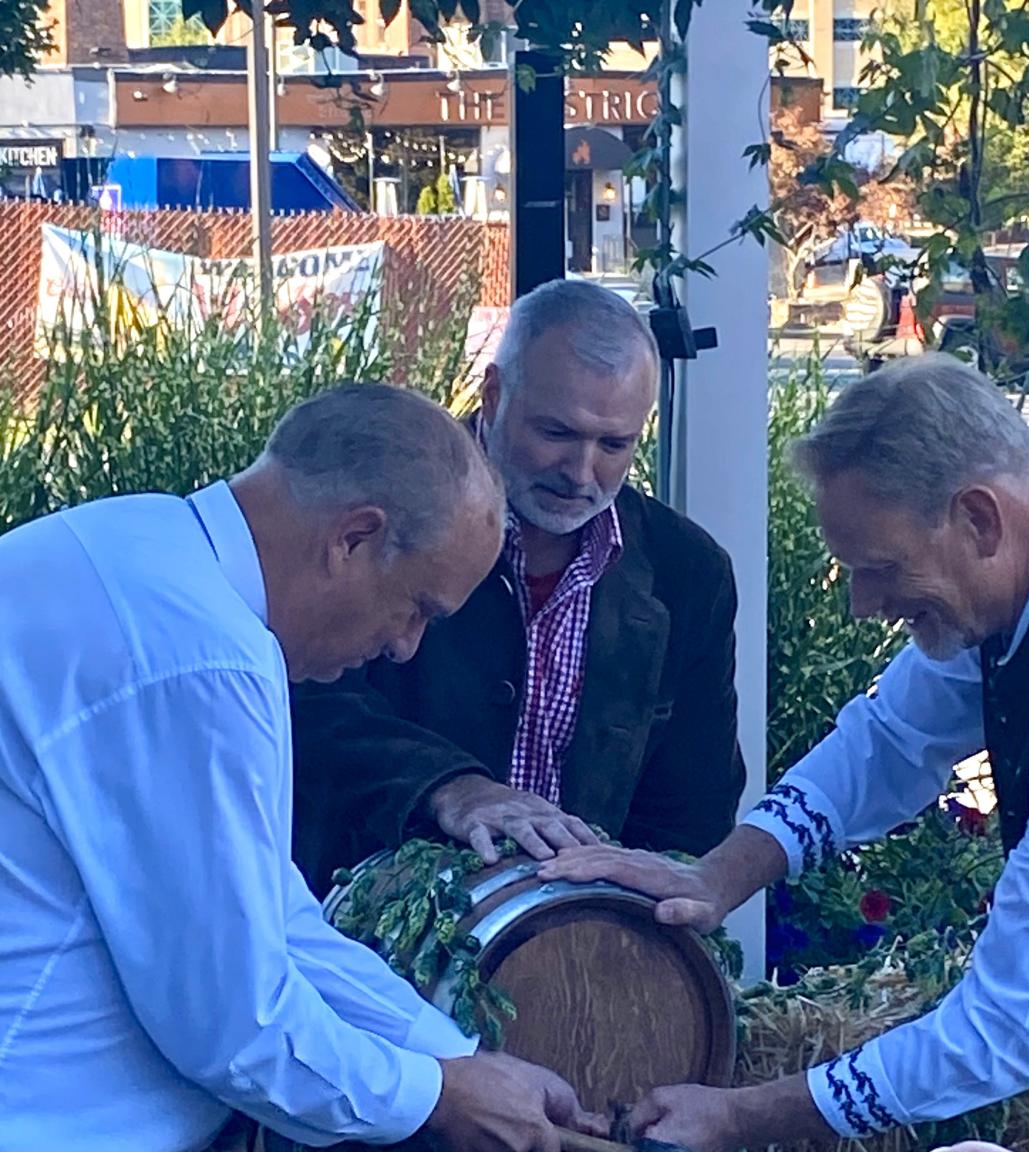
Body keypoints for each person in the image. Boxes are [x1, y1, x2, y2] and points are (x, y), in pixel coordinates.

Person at [542, 353, 1029, 1152]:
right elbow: (890, 741)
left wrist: (737, 1115)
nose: (861, 604)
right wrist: (715, 879)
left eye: (879, 570)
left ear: (979, 519)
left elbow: (1000, 1035)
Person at [0, 385, 603, 1151]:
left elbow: (274, 919)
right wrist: (438, 1097)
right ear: (354, 538)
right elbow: (233, 1023)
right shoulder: (205, 657)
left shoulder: (141, 546)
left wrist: (458, 1059)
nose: (405, 646)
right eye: (418, 606)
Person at [291, 279, 746, 896]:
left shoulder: (688, 572)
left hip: (584, 952)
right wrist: (450, 787)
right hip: (365, 935)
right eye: (557, 433)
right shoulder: (380, 496)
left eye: (615, 444)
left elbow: (693, 812)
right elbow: (303, 704)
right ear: (494, 394)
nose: (581, 472)